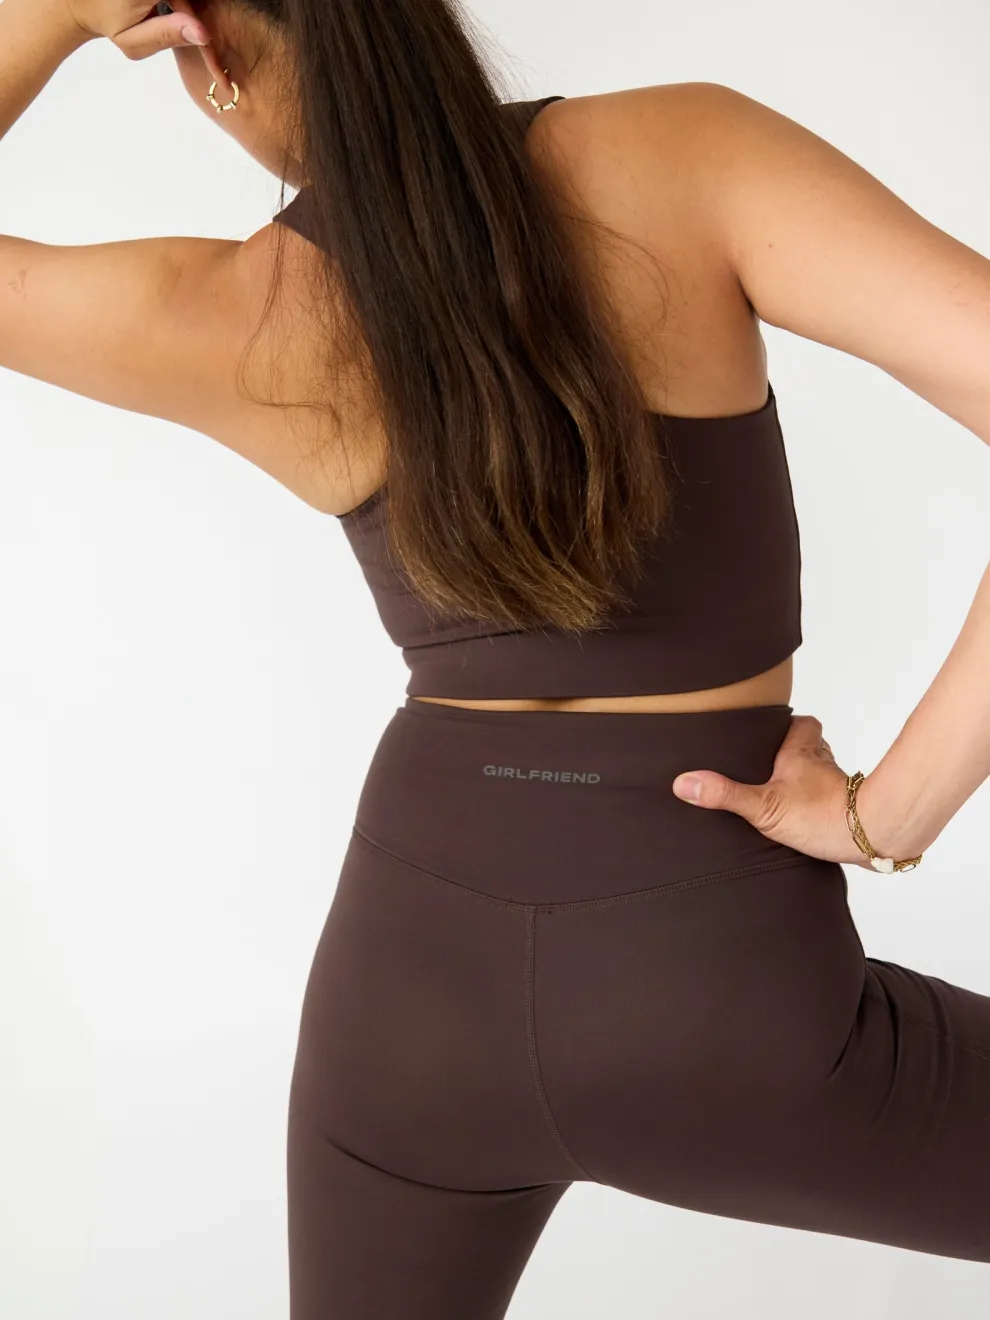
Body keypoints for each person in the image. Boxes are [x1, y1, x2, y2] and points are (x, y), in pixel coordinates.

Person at [4, 0, 989, 1315]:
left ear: (211, 54)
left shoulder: (233, 312)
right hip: (710, 979)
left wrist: (52, 11)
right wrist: (886, 815)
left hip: (408, 1003)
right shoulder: (686, 155)